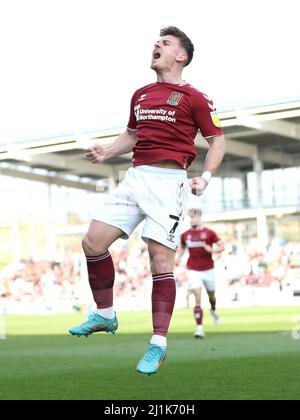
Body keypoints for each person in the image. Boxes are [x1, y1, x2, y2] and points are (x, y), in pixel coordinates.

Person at [69, 26, 226, 375]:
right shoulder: (140, 94)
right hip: (136, 177)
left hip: (169, 184)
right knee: (92, 242)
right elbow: (133, 134)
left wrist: (206, 176)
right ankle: (105, 314)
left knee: (159, 262)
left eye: (165, 43)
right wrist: (107, 150)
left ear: (180, 56)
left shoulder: (194, 98)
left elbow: (217, 139)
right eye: (157, 41)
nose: (157, 45)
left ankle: (158, 344)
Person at [177, 209, 225, 338]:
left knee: (212, 296)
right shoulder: (185, 235)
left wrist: (213, 250)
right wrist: (177, 259)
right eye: (190, 217)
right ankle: (199, 328)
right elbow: (182, 248)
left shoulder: (209, 233)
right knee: (197, 297)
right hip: (193, 269)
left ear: (199, 217)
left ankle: (213, 310)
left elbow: (222, 246)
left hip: (208, 269)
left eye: (193, 217)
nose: (192, 220)